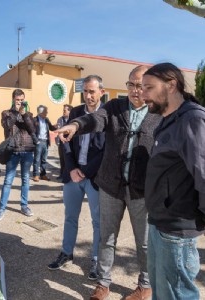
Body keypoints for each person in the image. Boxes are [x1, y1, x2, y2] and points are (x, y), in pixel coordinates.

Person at [56, 66, 162, 300]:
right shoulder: (114, 107)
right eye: (132, 85)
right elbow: (94, 119)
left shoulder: (159, 113)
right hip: (111, 186)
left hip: (141, 191)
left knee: (143, 243)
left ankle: (145, 286)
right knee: (106, 237)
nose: (136, 91)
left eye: (142, 86)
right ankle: (103, 284)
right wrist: (75, 126)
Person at [142, 62, 205, 300]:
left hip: (178, 228)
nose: (143, 93)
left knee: (177, 295)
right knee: (161, 292)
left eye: (149, 87)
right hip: (159, 223)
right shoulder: (168, 119)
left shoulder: (192, 120)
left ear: (171, 85)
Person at [48, 75, 105, 281]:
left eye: (92, 91)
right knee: (70, 217)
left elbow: (106, 150)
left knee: (98, 222)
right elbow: (66, 142)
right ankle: (66, 253)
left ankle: (97, 261)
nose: (89, 96)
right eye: (86, 91)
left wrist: (86, 172)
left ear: (101, 92)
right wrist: (72, 168)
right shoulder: (76, 112)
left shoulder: (107, 116)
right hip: (73, 176)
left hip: (94, 177)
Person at [0, 89, 36, 222]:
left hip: (27, 150)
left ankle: (24, 206)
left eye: (22, 100)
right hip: (13, 151)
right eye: (17, 100)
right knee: (8, 181)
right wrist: (15, 112)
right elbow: (7, 126)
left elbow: (31, 129)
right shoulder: (6, 113)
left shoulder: (28, 113)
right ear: (13, 99)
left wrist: (24, 115)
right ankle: (1, 209)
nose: (20, 102)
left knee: (25, 179)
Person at [32, 105, 57, 182]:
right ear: (40, 112)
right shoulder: (34, 120)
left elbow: (51, 128)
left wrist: (56, 126)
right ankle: (36, 175)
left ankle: (43, 175)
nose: (47, 113)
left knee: (44, 159)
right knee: (36, 159)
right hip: (39, 141)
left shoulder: (46, 119)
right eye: (45, 111)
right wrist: (36, 141)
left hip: (45, 141)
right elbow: (32, 132)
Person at [55, 104, 73, 180]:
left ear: (70, 111)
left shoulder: (73, 120)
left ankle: (68, 175)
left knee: (68, 159)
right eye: (63, 110)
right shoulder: (60, 119)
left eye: (65, 110)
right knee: (62, 159)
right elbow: (60, 130)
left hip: (70, 142)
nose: (63, 112)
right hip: (61, 142)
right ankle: (62, 174)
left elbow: (71, 131)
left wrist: (65, 131)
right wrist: (65, 131)